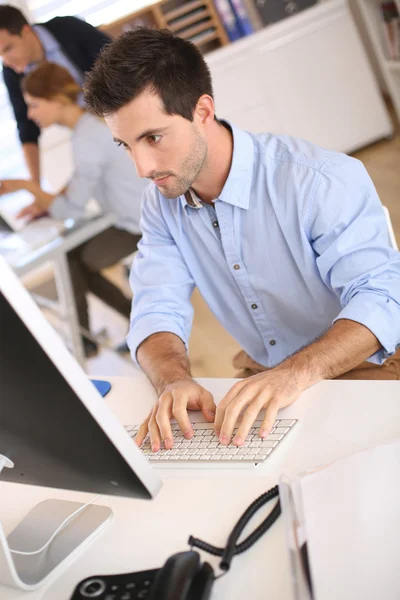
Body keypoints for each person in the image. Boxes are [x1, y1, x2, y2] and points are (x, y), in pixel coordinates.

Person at [84, 28, 400, 451]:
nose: (142, 166)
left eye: (153, 138)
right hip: (267, 372)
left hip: (368, 363)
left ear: (202, 111)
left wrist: (293, 375)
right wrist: (174, 381)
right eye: (125, 144)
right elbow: (156, 308)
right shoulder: (161, 203)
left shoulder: (317, 180)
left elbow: (383, 297)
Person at [0, 61, 147, 357]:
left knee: (74, 262)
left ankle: (90, 344)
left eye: (34, 105)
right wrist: (45, 199)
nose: (30, 114)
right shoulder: (89, 127)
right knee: (74, 261)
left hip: (139, 223)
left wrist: (27, 186)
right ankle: (119, 332)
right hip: (129, 215)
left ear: (56, 99)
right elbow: (78, 184)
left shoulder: (87, 137)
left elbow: (71, 208)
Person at [0, 4, 110, 183]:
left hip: (117, 112)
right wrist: (35, 186)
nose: (6, 61)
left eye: (8, 48)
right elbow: (26, 127)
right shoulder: (11, 72)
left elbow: (120, 62)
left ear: (26, 31)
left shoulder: (68, 28)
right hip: (88, 132)